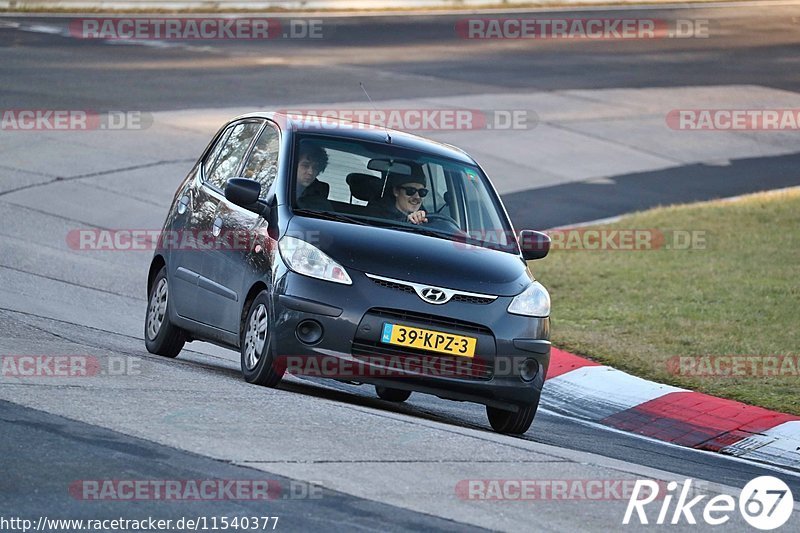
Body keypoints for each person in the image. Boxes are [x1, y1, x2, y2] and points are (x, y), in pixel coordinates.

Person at [295, 144, 332, 210]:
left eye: (315, 168)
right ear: (293, 165)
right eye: (305, 165)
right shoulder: (279, 189)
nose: (310, 172)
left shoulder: (321, 203)